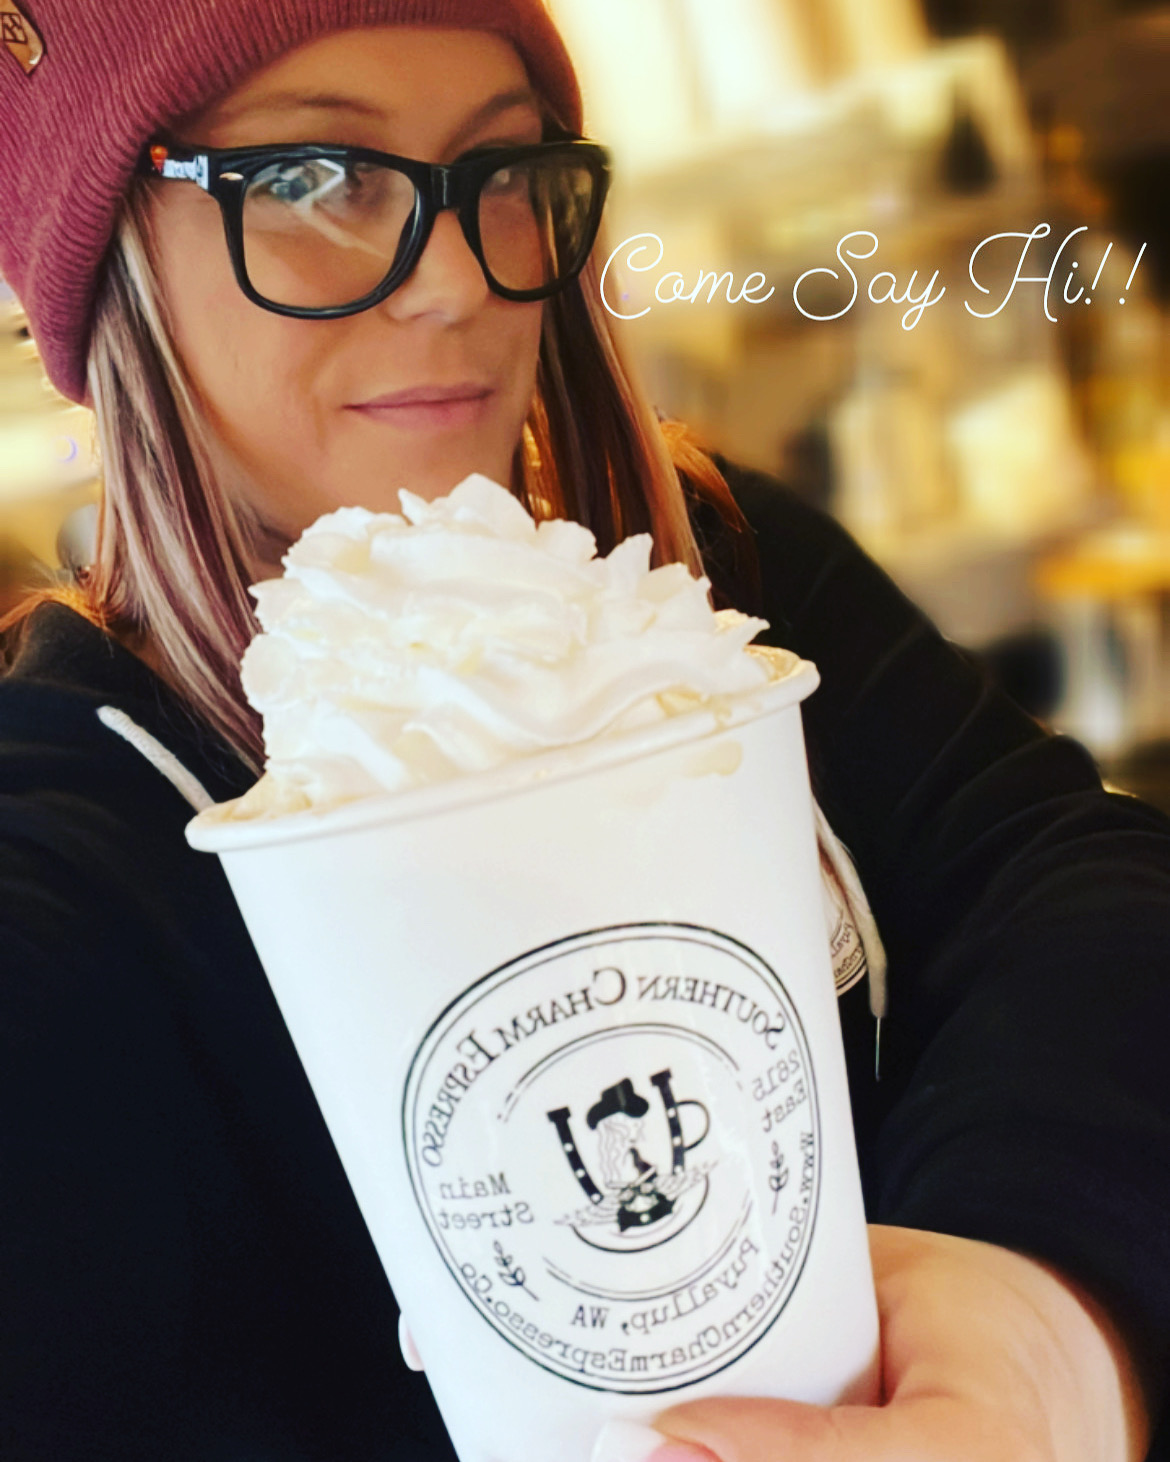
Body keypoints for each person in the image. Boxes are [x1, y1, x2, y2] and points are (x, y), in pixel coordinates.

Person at [0, 3, 1167, 1460]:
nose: (455, 278)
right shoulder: (67, 845)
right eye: (310, 178)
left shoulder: (707, 576)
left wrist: (1047, 1334)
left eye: (505, 171)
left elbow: (1070, 878)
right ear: (106, 254)